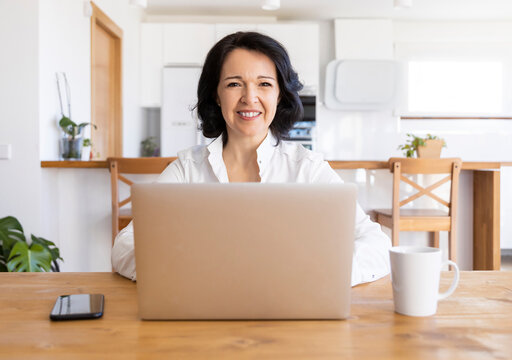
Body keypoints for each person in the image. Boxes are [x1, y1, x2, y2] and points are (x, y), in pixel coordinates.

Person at [112, 31, 391, 285]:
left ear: (280, 94)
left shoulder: (308, 170)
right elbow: (125, 246)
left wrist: (316, 273)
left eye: (264, 84)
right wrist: (189, 271)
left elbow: (376, 245)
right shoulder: (187, 170)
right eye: (234, 84)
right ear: (217, 95)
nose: (250, 97)